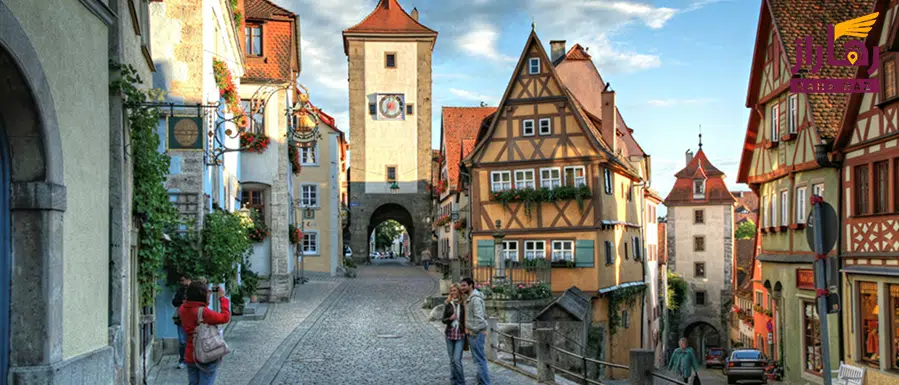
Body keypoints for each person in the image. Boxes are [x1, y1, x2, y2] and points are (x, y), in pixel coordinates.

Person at [179, 281, 231, 385]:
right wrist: (222, 299)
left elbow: (196, 311)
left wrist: (205, 298)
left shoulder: (183, 309)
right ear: (201, 295)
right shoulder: (204, 312)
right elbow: (225, 317)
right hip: (205, 353)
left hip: (190, 355)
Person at [460, 277, 491, 385]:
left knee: (480, 360)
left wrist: (473, 330)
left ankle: (486, 383)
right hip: (475, 333)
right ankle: (481, 381)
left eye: (464, 285)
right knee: (478, 359)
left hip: (476, 334)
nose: (462, 288)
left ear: (471, 285)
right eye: (461, 285)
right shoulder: (470, 297)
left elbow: (479, 318)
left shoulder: (475, 299)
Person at [442, 284, 467, 385]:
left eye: (454, 291)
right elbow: (443, 320)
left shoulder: (464, 304)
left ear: (459, 292)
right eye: (451, 291)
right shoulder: (448, 304)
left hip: (460, 334)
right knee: (452, 360)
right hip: (449, 334)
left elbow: (466, 320)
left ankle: (461, 382)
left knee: (457, 360)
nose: (452, 293)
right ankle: (453, 381)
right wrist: (450, 319)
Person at [172, 275, 191, 369]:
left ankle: (193, 360)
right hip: (181, 319)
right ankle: (183, 360)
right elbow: (174, 302)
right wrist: (181, 301)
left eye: (183, 280)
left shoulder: (195, 290)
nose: (181, 282)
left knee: (193, 340)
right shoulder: (180, 291)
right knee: (182, 341)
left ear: (189, 280)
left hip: (193, 319)